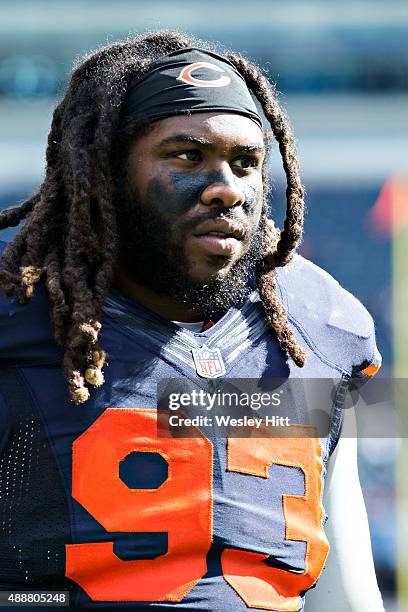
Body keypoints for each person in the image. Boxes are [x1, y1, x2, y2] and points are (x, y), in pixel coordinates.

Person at [0, 31, 384, 611]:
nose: (226, 189)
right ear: (106, 172)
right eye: (186, 155)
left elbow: (343, 589)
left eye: (246, 162)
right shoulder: (19, 309)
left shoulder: (317, 325)